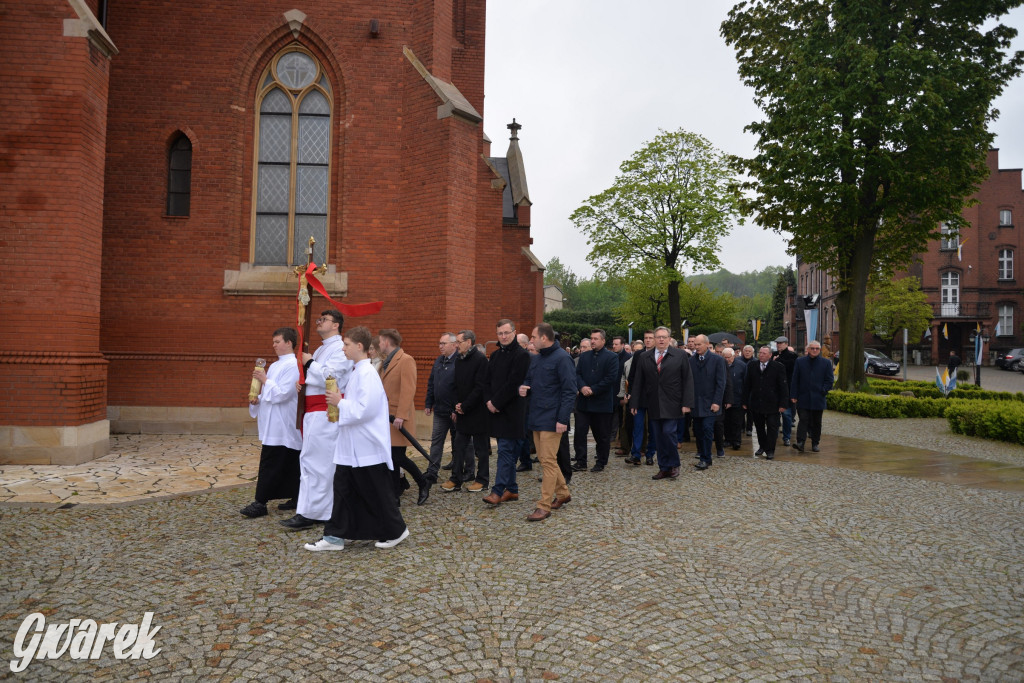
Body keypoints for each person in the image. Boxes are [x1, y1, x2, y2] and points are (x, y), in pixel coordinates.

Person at [304, 326, 409, 551]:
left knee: (376, 491)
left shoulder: (367, 373)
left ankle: (397, 530)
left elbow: (365, 409)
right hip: (351, 447)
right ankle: (333, 537)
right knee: (342, 490)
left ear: (359, 346)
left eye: (347, 344)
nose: (343, 348)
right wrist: (338, 406)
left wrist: (339, 402)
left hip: (365, 446)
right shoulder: (357, 371)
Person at [281, 310, 353, 530]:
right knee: (310, 462)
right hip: (312, 413)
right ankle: (313, 508)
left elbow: (332, 377)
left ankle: (315, 511)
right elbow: (316, 378)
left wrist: (310, 363)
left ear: (336, 325)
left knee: (320, 464)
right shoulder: (322, 348)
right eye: (319, 319)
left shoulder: (340, 348)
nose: (319, 322)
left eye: (324, 320)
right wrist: (303, 384)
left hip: (325, 413)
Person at [241, 327, 302, 518]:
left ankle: (260, 502)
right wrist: (258, 399)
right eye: (273, 342)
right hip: (274, 423)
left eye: (277, 341)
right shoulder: (276, 365)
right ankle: (297, 495)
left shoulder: (293, 365)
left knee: (272, 462)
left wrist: (265, 379)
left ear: (289, 343)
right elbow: (270, 392)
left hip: (283, 423)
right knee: (289, 461)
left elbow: (284, 393)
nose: (273, 345)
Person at [518, 323, 575, 521]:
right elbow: (529, 380)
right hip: (536, 416)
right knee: (545, 459)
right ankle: (563, 494)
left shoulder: (563, 358)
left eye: (533, 337)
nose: (531, 341)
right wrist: (525, 387)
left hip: (552, 419)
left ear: (544, 338)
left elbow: (569, 391)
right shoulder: (536, 358)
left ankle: (544, 506)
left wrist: (562, 419)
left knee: (548, 461)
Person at [629, 326, 694, 480]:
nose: (661, 339)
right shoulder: (645, 357)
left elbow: (688, 380)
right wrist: (634, 403)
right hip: (653, 403)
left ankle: (674, 464)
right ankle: (664, 468)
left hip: (673, 403)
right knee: (658, 436)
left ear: (669, 338)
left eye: (664, 337)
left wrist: (687, 403)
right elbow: (638, 382)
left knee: (669, 433)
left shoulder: (679, 355)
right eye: (658, 337)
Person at [378, 329, 430, 505]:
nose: (378, 344)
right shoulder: (386, 361)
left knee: (398, 457)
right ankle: (394, 496)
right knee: (392, 457)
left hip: (398, 417)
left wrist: (401, 415)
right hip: (386, 417)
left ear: (387, 341)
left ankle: (423, 483)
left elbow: (409, 389)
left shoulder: (405, 360)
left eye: (380, 340)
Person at [482, 319, 531, 506]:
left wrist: (496, 402)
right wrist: (488, 401)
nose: (503, 336)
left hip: (512, 411)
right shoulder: (494, 356)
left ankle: (497, 491)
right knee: (507, 452)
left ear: (514, 332)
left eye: (506, 333)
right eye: (500, 333)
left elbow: (514, 383)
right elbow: (486, 381)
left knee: (504, 451)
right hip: (495, 410)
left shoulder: (522, 355)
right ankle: (512, 489)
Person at [441, 330, 490, 492]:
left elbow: (480, 387)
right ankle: (456, 479)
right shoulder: (460, 360)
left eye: (459, 342)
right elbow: (455, 385)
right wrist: (456, 404)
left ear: (469, 342)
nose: (456, 345)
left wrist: (465, 405)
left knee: (481, 449)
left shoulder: (481, 360)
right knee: (459, 445)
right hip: (462, 411)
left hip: (477, 412)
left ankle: (482, 480)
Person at [572, 329, 620, 473]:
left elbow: (611, 378)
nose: (592, 341)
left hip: (601, 403)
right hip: (583, 403)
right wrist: (582, 387)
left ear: (603, 341)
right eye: (591, 338)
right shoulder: (584, 356)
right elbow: (577, 374)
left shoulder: (611, 357)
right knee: (580, 433)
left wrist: (593, 389)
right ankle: (581, 461)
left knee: (601, 435)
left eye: (596, 339)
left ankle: (601, 461)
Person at [688, 334, 726, 471]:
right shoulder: (691, 361)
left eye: (699, 345)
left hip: (711, 404)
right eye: (695, 345)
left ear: (706, 344)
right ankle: (702, 454)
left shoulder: (717, 360)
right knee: (698, 431)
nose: (696, 347)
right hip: (696, 403)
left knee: (707, 430)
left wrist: (717, 402)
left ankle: (706, 458)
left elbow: (721, 383)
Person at [743, 345, 788, 460]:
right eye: (760, 353)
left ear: (770, 355)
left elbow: (783, 386)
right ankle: (762, 446)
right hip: (757, 402)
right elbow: (747, 385)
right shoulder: (752, 365)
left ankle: (770, 450)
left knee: (772, 427)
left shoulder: (778, 367)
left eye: (764, 353)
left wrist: (783, 404)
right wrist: (745, 400)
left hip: (773, 403)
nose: (761, 355)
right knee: (759, 427)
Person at [425, 332, 458, 482]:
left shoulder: (459, 361)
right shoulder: (439, 361)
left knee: (461, 442)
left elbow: (461, 387)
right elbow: (432, 383)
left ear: (453, 344)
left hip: (455, 411)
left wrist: (456, 408)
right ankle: (432, 471)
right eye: (440, 343)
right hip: (439, 410)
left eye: (443, 344)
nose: (440, 347)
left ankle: (463, 470)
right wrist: (428, 403)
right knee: (436, 441)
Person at [790, 340, 834, 452]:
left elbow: (829, 380)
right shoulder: (800, 361)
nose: (814, 350)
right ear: (808, 349)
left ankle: (815, 442)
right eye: (812, 348)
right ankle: (800, 442)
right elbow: (795, 379)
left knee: (816, 422)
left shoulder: (826, 363)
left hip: (818, 398)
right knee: (803, 420)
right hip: (803, 397)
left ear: (819, 350)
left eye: (817, 349)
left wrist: (822, 390)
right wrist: (794, 395)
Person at [625, 330, 657, 466]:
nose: (648, 340)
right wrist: (631, 393)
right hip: (639, 395)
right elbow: (632, 376)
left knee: (653, 427)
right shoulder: (638, 354)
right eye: (646, 338)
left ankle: (650, 454)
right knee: (637, 426)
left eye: (650, 338)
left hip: (655, 396)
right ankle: (636, 454)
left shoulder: (660, 354)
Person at [772, 336, 799, 446]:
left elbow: (789, 367)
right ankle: (773, 434)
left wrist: (777, 361)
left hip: (786, 389)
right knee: (773, 415)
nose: (779, 345)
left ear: (786, 344)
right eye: (777, 343)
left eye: (781, 343)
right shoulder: (773, 354)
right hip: (774, 390)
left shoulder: (792, 356)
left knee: (787, 415)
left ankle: (786, 437)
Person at [722, 348, 747, 451]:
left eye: (729, 357)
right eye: (725, 357)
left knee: (737, 422)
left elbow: (746, 383)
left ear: (733, 356)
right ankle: (728, 439)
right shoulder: (721, 365)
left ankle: (736, 441)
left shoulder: (741, 366)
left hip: (737, 398)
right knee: (726, 421)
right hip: (724, 399)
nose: (727, 359)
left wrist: (744, 400)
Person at [740, 344, 756, 436]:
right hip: (741, 388)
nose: (747, 353)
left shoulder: (755, 362)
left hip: (752, 390)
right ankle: (742, 427)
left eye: (749, 351)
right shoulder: (738, 361)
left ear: (752, 353)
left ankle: (749, 428)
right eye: (746, 351)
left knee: (750, 411)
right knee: (741, 410)